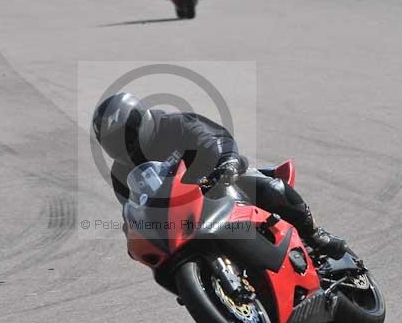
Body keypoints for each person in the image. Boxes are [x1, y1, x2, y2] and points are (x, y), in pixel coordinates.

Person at [92, 93, 349, 259]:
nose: (123, 145)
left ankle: (315, 235)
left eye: (126, 136)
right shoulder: (121, 173)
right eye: (113, 142)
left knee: (266, 186)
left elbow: (214, 139)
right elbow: (134, 207)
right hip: (185, 217)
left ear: (142, 121)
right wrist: (135, 231)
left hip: (221, 181)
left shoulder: (176, 125)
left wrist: (226, 162)